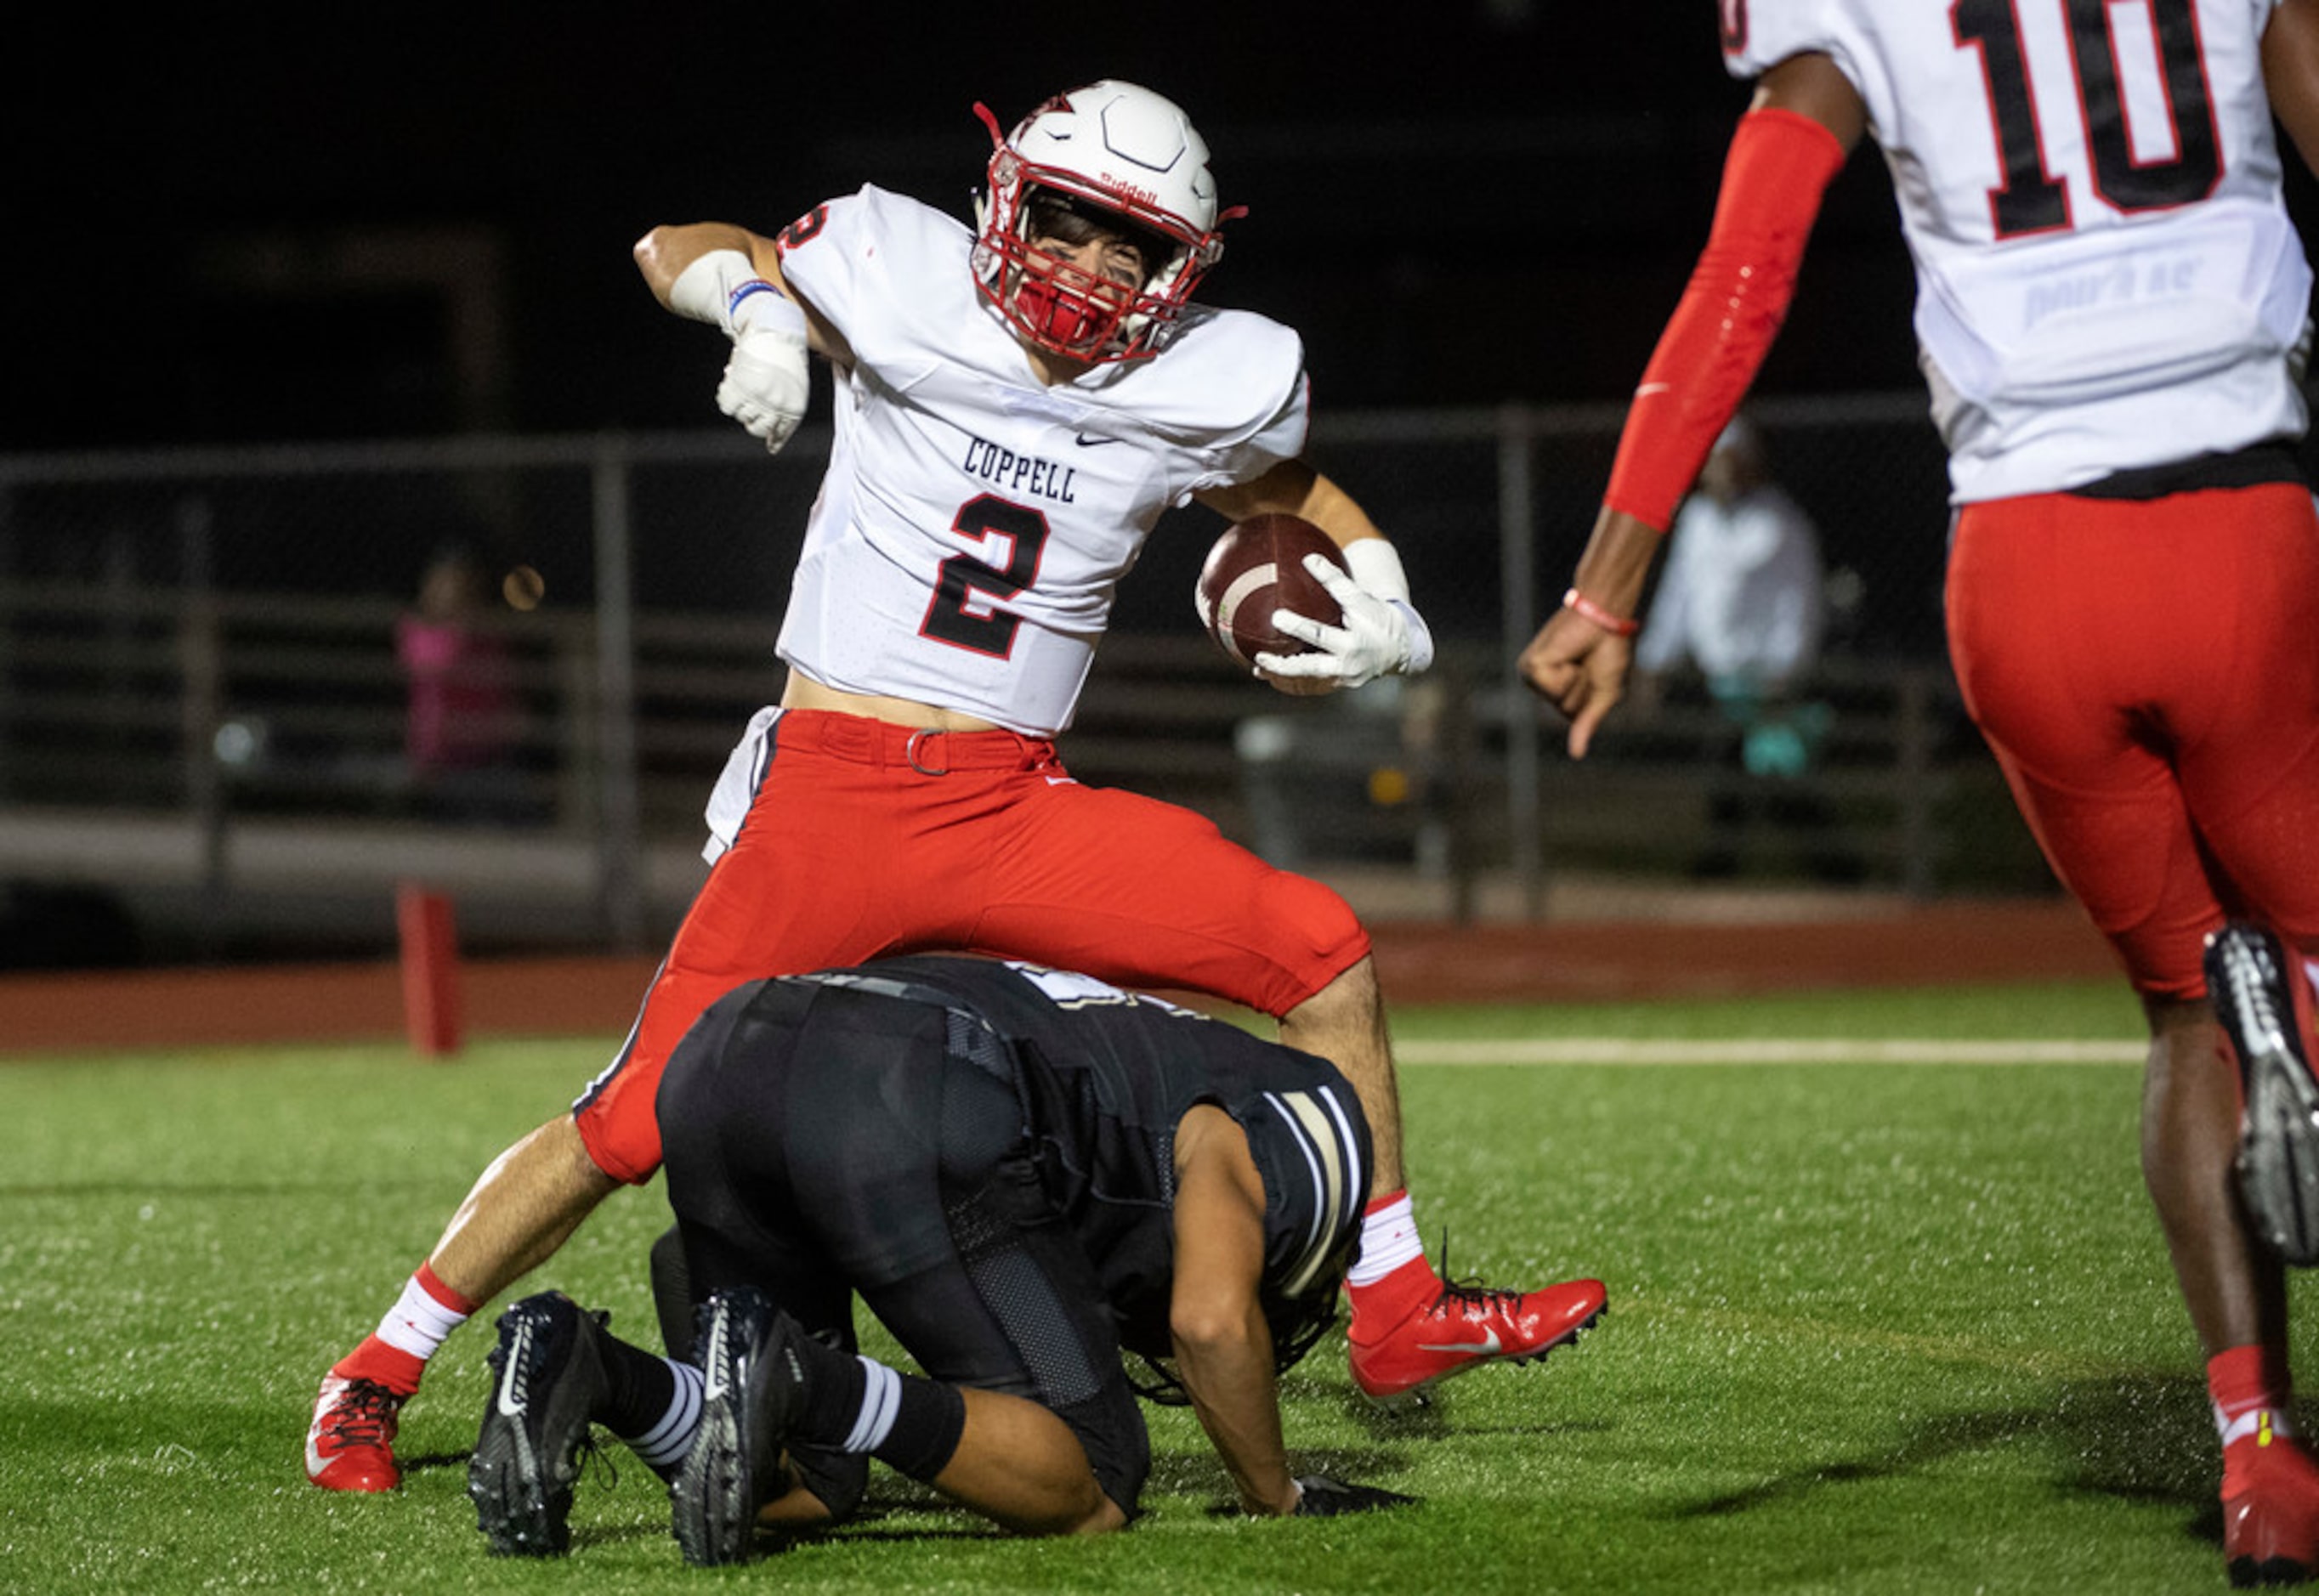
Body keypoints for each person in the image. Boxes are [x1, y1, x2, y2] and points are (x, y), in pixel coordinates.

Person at [308, 79, 1605, 1494]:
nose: (1091, 269)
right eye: (1068, 225)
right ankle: (377, 1365)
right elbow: (672, 241)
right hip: (835, 795)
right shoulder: (892, 268)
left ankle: (1394, 1306)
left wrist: (1387, 601)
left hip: (1012, 803)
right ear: (1002, 204)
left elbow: (1279, 487)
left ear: (1182, 268)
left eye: (1132, 249)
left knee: (1324, 954)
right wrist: (749, 311)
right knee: (627, 1120)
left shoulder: (1193, 379)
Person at [1517, 3, 2319, 1584]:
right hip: (2236, 504)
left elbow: (1739, 280)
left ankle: (2260, 1462)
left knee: (2180, 1011)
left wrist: (1608, 588)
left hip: (2023, 557)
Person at [464, 955, 1419, 1562]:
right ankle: (800, 1373)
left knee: (805, 1479)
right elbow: (1209, 1317)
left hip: (725, 1051)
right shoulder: (1299, 1116)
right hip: (904, 1085)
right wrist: (1274, 1497)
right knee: (1093, 1479)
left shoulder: (1142, 1040)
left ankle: (596, 1369)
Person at [1628, 416, 1855, 881]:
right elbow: (1679, 597)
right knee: (1746, 777)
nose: (1720, 475)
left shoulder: (1782, 523)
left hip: (1767, 680)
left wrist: (1786, 670)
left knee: (1770, 776)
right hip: (1719, 678)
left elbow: (1800, 603)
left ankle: (1823, 870)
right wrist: (1654, 661)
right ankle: (1821, 869)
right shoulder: (1697, 521)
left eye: (1729, 463)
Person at [394, 545, 528, 825]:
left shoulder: (487, 631)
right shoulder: (417, 630)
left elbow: (503, 682)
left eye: (460, 584)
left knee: (517, 820)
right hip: (441, 759)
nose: (452, 591)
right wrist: (462, 628)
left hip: (488, 755)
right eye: (444, 583)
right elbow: (438, 663)